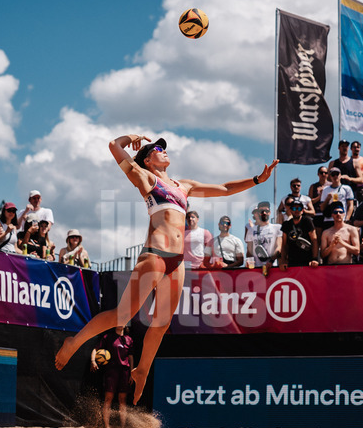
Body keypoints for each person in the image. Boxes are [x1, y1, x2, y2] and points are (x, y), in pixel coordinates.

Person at [54, 134, 277, 404]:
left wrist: (256, 180)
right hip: (155, 254)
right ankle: (74, 343)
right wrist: (132, 138)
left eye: (163, 148)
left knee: (162, 323)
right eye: (158, 149)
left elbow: (224, 188)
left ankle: (142, 369)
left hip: (176, 261)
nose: (164, 151)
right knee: (122, 316)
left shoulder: (184, 186)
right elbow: (114, 146)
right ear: (148, 159)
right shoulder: (146, 179)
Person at [92, 326, 133, 428]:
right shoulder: (108, 337)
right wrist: (93, 361)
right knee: (108, 398)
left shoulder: (129, 339)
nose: (121, 323)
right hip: (111, 371)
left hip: (125, 371)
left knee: (122, 399)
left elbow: (131, 357)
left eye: (123, 321)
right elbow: (95, 349)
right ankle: (107, 426)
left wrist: (132, 373)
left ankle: (123, 426)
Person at [280, 200, 319, 267]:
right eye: (294, 208)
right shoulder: (286, 224)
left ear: (303, 210)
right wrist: (283, 261)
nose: (297, 211)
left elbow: (314, 240)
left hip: (307, 261)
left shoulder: (307, 221)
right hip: (292, 261)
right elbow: (284, 244)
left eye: (299, 208)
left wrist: (314, 259)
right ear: (291, 210)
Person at [246, 201, 282, 268]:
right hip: (256, 268)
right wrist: (249, 262)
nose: (264, 213)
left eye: (266, 211)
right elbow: (249, 252)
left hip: (272, 267)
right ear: (258, 213)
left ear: (270, 212)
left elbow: (279, 247)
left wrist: (271, 261)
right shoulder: (251, 230)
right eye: (261, 211)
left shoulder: (277, 228)